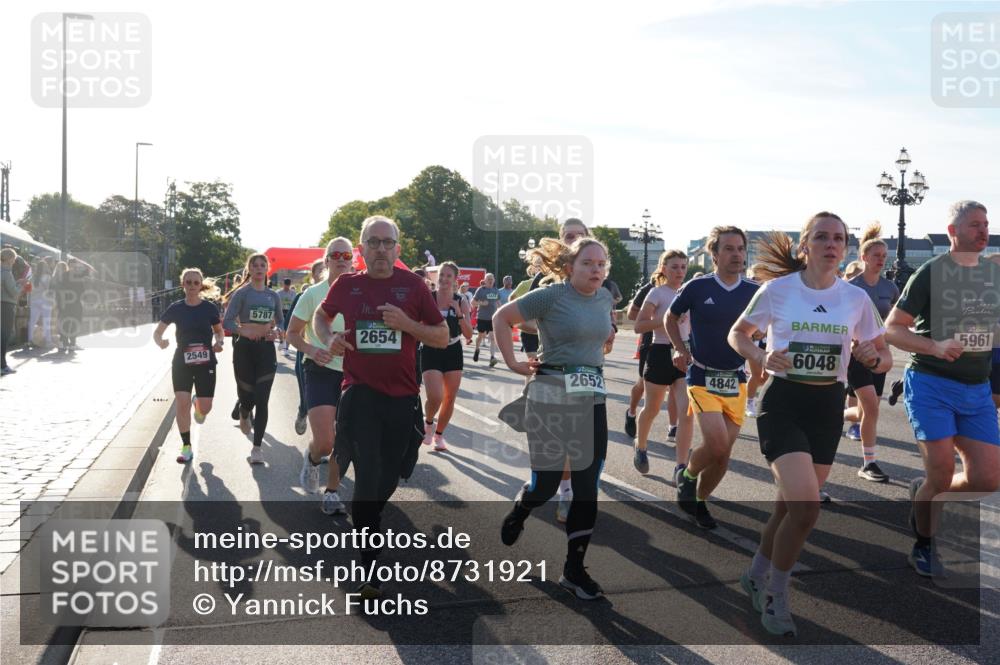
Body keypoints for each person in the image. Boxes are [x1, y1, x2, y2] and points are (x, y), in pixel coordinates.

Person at [729, 211, 890, 637]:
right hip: (783, 402)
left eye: (838, 238)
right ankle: (775, 594)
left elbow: (882, 354)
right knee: (806, 506)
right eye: (821, 237)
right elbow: (739, 334)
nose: (831, 244)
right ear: (805, 246)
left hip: (827, 407)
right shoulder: (778, 290)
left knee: (789, 508)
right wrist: (762, 357)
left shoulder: (855, 299)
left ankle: (754, 574)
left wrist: (874, 358)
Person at [313, 216, 447, 600]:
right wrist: (330, 336)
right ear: (362, 249)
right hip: (359, 394)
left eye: (388, 243)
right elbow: (322, 318)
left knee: (389, 477)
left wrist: (407, 323)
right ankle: (370, 564)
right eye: (374, 242)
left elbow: (441, 336)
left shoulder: (413, 286)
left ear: (398, 250)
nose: (381, 250)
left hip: (402, 398)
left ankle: (371, 516)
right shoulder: (347, 285)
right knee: (369, 475)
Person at [493, 235, 616, 600]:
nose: (596, 270)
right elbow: (503, 317)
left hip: (591, 395)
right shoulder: (551, 295)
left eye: (600, 264)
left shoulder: (606, 297)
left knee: (586, 484)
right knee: (546, 485)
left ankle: (574, 569)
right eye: (588, 264)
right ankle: (523, 507)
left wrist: (602, 342)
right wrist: (514, 362)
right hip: (549, 394)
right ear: (569, 268)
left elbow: (599, 331)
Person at [884, 200, 1000, 578]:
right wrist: (934, 345)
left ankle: (928, 492)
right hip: (932, 382)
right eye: (973, 225)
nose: (982, 231)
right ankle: (925, 541)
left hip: (976, 388)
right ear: (952, 232)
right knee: (941, 469)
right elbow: (893, 328)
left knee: (987, 479)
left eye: (985, 224)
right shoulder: (932, 273)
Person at [666, 226, 760, 529]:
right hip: (702, 375)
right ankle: (688, 476)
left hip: (736, 378)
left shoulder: (754, 291)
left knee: (723, 456)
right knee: (717, 443)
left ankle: (700, 500)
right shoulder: (697, 287)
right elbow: (670, 317)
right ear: (714, 254)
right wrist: (679, 350)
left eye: (741, 249)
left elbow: (766, 326)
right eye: (729, 248)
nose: (737, 254)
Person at [287, 239, 353, 515]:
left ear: (352, 260)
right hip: (320, 369)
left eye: (346, 254)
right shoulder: (313, 294)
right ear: (326, 261)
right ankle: (313, 459)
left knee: (344, 437)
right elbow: (291, 333)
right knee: (325, 441)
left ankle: (332, 492)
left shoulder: (361, 291)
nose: (340, 259)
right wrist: (312, 349)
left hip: (354, 373)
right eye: (334, 255)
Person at [842, 222, 900, 482]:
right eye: (876, 256)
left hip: (879, 353)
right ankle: (869, 463)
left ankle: (834, 414)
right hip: (855, 356)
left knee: (868, 410)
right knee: (872, 411)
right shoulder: (850, 287)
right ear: (863, 257)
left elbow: (895, 318)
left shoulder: (890, 288)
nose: (881, 260)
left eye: (884, 257)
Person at [153, 268, 225, 463]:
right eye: (188, 282)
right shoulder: (176, 308)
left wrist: (219, 343)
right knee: (181, 403)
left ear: (200, 285)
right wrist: (160, 342)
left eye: (195, 282)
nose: (192, 286)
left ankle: (198, 405)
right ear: (183, 284)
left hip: (206, 361)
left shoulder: (209, 308)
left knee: (205, 408)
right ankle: (186, 446)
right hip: (182, 361)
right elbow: (157, 332)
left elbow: (219, 331)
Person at [633, 250, 693, 480]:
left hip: (684, 352)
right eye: (674, 267)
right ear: (663, 269)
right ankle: (641, 446)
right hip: (659, 351)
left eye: (683, 267)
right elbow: (639, 326)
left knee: (686, 410)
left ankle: (680, 466)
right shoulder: (657, 293)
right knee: (653, 408)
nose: (679, 271)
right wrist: (669, 317)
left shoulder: (689, 292)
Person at [222, 254, 284, 464]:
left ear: (267, 268)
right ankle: (244, 410)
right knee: (247, 397)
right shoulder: (242, 294)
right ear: (249, 268)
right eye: (255, 265)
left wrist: (276, 331)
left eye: (262, 265)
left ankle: (257, 448)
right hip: (244, 351)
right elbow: (227, 322)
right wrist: (243, 330)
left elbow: (282, 323)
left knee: (262, 399)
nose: (259, 268)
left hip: (266, 351)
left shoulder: (272, 296)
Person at [421, 261, 474, 451]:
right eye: (441, 275)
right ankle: (428, 423)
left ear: (455, 280)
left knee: (450, 397)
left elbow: (468, 335)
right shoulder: (429, 298)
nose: (443, 279)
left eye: (448, 276)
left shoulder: (461, 300)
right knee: (435, 396)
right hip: (430, 349)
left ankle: (439, 435)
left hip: (453, 350)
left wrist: (459, 313)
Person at [287, 259, 326, 436]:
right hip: (307, 355)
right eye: (320, 270)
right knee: (308, 396)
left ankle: (325, 441)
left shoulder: (342, 294)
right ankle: (303, 411)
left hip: (335, 359)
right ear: (313, 275)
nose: (323, 272)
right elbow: (292, 328)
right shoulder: (305, 296)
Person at [1, 248, 23, 376]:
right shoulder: (6, 272)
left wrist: (16, 283)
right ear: (9, 259)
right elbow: (14, 293)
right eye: (14, 259)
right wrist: (21, 285)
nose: (14, 262)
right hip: (6, 306)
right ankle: (2, 365)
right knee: (4, 336)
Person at [473, 273, 500, 367]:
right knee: (480, 336)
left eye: (492, 278)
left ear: (494, 280)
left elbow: (498, 302)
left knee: (493, 337)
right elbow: (473, 303)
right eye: (488, 278)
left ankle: (492, 357)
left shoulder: (495, 290)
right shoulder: (480, 290)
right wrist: (481, 303)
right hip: (482, 317)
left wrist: (501, 311)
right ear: (484, 280)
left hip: (492, 318)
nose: (490, 280)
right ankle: (477, 349)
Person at [28, 258, 54, 349]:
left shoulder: (32, 277)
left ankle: (30, 340)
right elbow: (50, 290)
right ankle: (48, 341)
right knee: (46, 321)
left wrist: (29, 302)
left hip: (34, 301)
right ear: (45, 267)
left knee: (32, 321)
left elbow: (29, 291)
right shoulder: (48, 277)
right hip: (45, 301)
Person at [276, 278, 296, 355]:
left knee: (288, 330)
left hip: (289, 312)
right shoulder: (278, 293)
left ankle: (286, 347)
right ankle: (281, 341)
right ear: (283, 284)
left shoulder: (293, 293)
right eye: (285, 285)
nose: (286, 287)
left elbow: (294, 304)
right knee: (281, 329)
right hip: (280, 312)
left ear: (290, 285)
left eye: (288, 285)